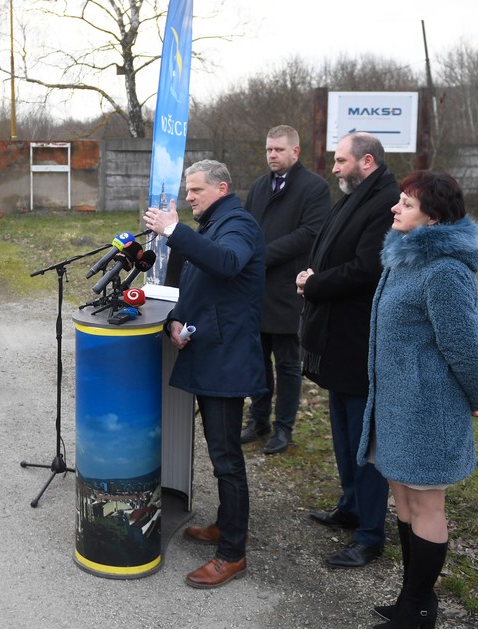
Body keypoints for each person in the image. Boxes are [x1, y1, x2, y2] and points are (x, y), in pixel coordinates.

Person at [357, 171, 478, 628]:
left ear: (432, 218)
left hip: (428, 408)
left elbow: (466, 345)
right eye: (398, 201)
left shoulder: (445, 270)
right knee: (403, 498)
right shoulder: (405, 260)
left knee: (426, 503)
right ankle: (411, 599)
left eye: (407, 205)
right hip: (395, 404)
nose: (395, 209)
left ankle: (418, 607)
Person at [143, 159, 266, 589]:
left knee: (227, 460)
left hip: (227, 359)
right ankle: (226, 527)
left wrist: (176, 231)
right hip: (210, 350)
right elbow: (199, 282)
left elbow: (227, 263)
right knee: (220, 454)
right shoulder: (215, 222)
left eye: (196, 190)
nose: (189, 197)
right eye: (188, 190)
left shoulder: (238, 224)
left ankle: (232, 553)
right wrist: (176, 317)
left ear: (222, 187)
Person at [296, 132, 398, 569]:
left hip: (360, 340)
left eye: (340, 161)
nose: (334, 168)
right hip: (337, 337)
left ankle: (371, 534)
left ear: (366, 161)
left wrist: (313, 283)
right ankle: (351, 506)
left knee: (363, 441)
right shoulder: (358, 194)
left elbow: (366, 269)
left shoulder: (385, 201)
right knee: (343, 433)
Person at [241, 125, 331, 454]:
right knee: (258, 359)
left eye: (279, 150)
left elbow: (311, 233)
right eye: (268, 150)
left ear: (295, 152)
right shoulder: (259, 187)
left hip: (291, 287)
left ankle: (284, 427)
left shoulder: (315, 188)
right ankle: (259, 418)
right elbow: (248, 226)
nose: (272, 155)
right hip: (257, 287)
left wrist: (262, 255)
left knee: (288, 363)